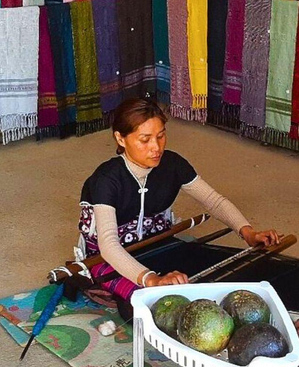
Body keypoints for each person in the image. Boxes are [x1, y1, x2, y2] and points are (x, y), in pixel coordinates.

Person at [78, 98, 280, 303]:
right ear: (121, 139)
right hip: (107, 258)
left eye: (161, 136)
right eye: (145, 139)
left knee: (224, 275)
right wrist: (151, 279)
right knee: (155, 302)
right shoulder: (106, 179)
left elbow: (214, 201)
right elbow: (109, 244)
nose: (156, 147)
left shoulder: (173, 164)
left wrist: (248, 233)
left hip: (156, 243)